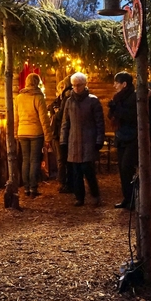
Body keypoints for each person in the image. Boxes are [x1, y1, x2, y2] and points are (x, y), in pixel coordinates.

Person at [59, 72, 105, 207]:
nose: (76, 88)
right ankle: (79, 197)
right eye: (74, 85)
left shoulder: (93, 101)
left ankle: (95, 195)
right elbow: (65, 123)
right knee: (76, 172)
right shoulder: (69, 101)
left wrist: (99, 140)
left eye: (79, 85)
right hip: (73, 140)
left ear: (85, 85)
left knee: (88, 170)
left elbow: (99, 123)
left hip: (88, 140)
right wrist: (63, 140)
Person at [14, 73, 51, 197]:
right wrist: (48, 137)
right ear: (36, 82)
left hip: (22, 132)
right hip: (35, 132)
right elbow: (44, 119)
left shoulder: (19, 97)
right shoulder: (38, 97)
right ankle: (33, 188)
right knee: (34, 160)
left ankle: (26, 187)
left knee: (25, 160)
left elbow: (16, 118)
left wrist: (15, 132)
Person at [108, 71, 138, 209]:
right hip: (121, 136)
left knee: (127, 167)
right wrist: (112, 109)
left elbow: (131, 116)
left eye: (116, 82)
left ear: (124, 84)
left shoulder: (134, 97)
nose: (114, 85)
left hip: (132, 137)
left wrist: (117, 109)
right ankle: (127, 198)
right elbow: (112, 116)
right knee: (121, 168)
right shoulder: (117, 97)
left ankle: (134, 198)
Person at [49, 79, 73, 193]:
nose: (63, 90)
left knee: (69, 159)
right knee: (61, 159)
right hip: (57, 134)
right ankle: (62, 182)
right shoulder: (53, 104)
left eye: (64, 87)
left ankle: (69, 182)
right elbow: (55, 118)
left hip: (68, 134)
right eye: (61, 88)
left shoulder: (69, 100)